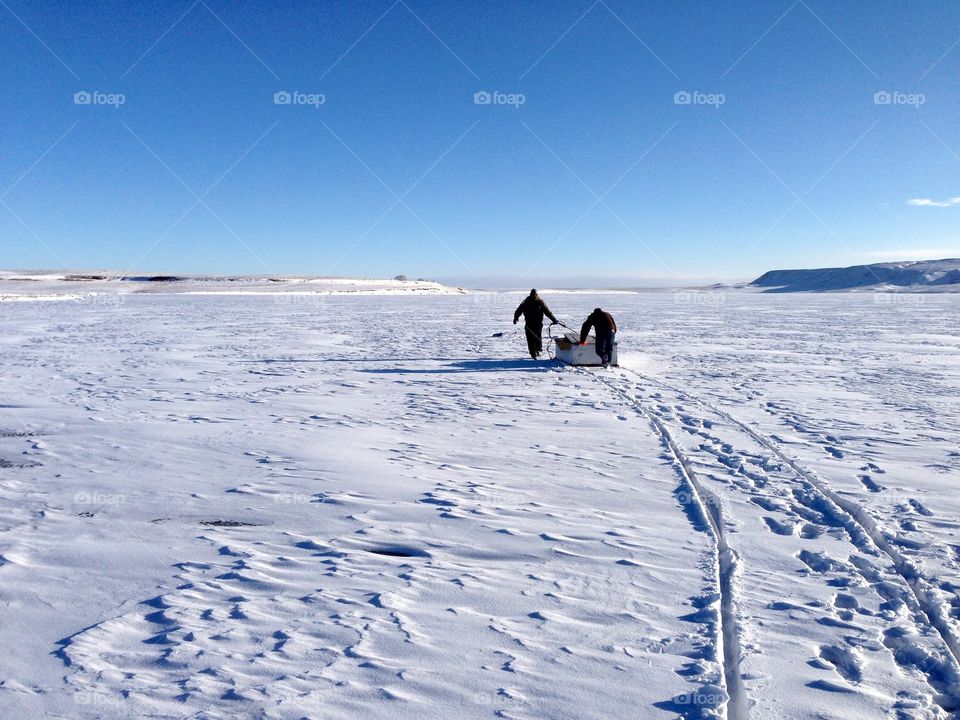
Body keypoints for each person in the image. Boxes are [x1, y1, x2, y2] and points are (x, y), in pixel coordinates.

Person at [513, 289, 557, 359]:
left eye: (535, 295)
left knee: (537, 338)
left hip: (537, 324)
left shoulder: (540, 302)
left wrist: (554, 319)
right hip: (529, 324)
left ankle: (537, 351)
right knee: (530, 339)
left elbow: (547, 311)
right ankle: (533, 353)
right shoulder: (526, 301)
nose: (534, 296)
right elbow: (519, 310)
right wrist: (515, 318)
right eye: (533, 295)